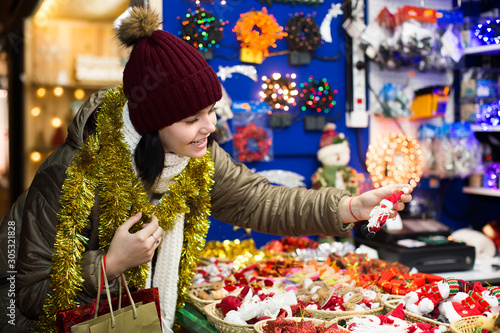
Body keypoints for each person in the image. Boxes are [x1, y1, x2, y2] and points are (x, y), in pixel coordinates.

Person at [0, 6, 413, 333]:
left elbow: (260, 200)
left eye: (212, 111)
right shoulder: (73, 172)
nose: (211, 127)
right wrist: (111, 263)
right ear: (151, 124)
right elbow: (28, 293)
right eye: (192, 118)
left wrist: (351, 207)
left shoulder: (195, 156)